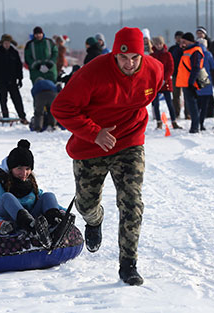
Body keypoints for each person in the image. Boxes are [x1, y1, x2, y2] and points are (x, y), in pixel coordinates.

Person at [51, 27, 164, 286]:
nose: (129, 63)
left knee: (132, 202)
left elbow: (148, 95)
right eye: (123, 57)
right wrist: (94, 133)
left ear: (143, 54)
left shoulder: (154, 70)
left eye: (135, 57)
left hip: (130, 142)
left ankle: (128, 264)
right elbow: (61, 108)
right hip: (92, 146)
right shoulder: (92, 72)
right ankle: (95, 220)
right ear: (114, 54)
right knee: (85, 204)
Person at [0, 139, 66, 236]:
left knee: (48, 196)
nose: (24, 174)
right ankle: (29, 225)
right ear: (11, 168)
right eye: (19, 168)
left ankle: (54, 222)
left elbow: (45, 201)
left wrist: (61, 212)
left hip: (32, 224)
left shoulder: (30, 183)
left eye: (27, 169)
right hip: (8, 224)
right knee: (7, 197)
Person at [0, 34, 28, 124]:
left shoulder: (14, 53)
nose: (7, 44)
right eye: (5, 43)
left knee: (17, 99)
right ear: (2, 43)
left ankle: (22, 117)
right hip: (1, 81)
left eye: (8, 43)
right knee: (3, 99)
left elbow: (19, 67)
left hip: (13, 81)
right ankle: (5, 117)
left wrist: (20, 79)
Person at [175, 32, 204, 133]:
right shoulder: (187, 50)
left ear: (189, 41)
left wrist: (191, 82)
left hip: (191, 82)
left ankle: (195, 126)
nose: (182, 43)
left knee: (193, 105)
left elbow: (196, 67)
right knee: (191, 105)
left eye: (184, 41)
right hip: (186, 82)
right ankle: (195, 125)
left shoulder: (195, 51)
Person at [150, 36, 181, 129]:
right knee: (156, 104)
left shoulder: (167, 55)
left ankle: (174, 121)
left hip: (165, 82)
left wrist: (164, 79)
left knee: (169, 103)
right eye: (156, 44)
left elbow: (171, 68)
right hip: (156, 83)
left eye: (160, 44)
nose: (159, 46)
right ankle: (159, 122)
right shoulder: (152, 56)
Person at [196, 38, 214, 131]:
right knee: (204, 105)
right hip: (206, 79)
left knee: (197, 104)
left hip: (196, 80)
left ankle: (195, 122)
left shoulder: (195, 54)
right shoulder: (208, 54)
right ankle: (201, 123)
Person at [169, 31, 185, 119]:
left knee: (187, 95)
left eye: (180, 37)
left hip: (185, 74)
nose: (179, 39)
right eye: (177, 37)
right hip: (175, 74)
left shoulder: (185, 48)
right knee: (175, 95)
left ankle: (188, 113)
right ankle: (176, 113)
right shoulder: (172, 49)